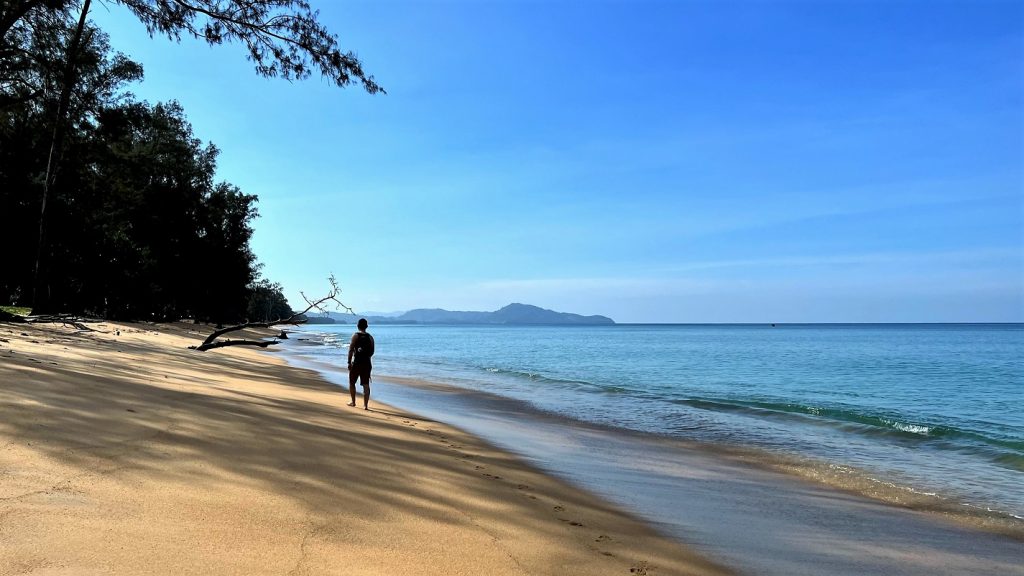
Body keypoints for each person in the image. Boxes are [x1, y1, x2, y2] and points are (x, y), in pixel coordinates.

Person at [347, 318, 375, 410]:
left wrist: (349, 362)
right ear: (367, 326)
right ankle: (365, 405)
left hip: (357, 362)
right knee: (366, 384)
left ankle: (353, 402)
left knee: (352, 382)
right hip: (367, 363)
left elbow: (351, 350)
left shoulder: (355, 336)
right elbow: (372, 352)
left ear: (357, 326)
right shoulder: (370, 337)